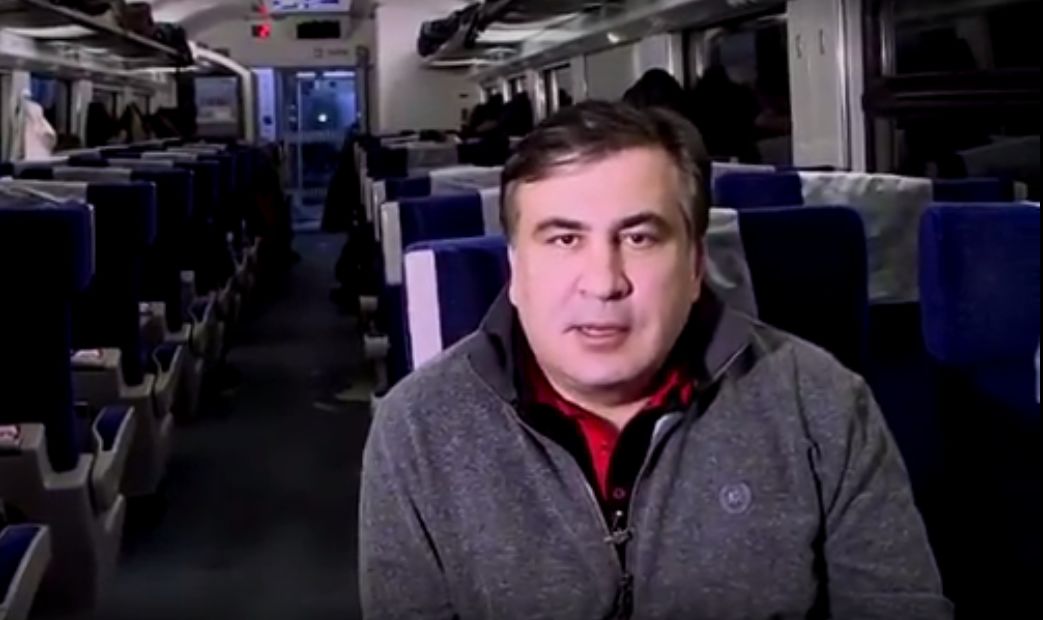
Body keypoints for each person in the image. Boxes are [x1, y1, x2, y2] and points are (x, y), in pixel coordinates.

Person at [359, 101, 951, 619]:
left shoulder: (822, 404)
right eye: (564, 239)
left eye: (639, 238)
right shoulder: (417, 429)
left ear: (694, 266)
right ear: (516, 269)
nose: (604, 282)